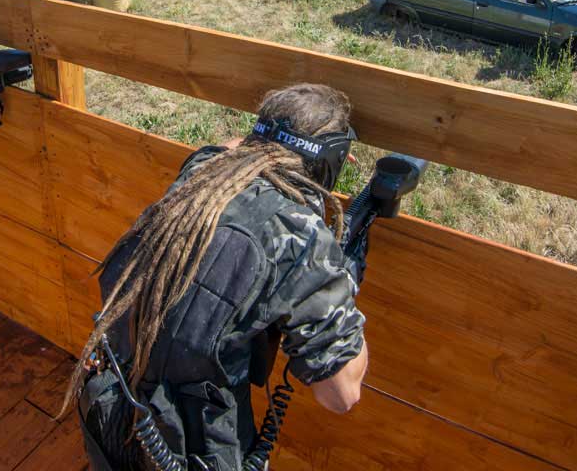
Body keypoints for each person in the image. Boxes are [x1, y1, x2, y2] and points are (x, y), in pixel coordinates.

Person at [67, 83, 368, 471]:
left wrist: (275, 136)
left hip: (115, 395)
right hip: (197, 440)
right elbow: (341, 395)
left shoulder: (203, 172)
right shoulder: (299, 234)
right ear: (332, 160)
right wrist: (343, 287)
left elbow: (231, 146)